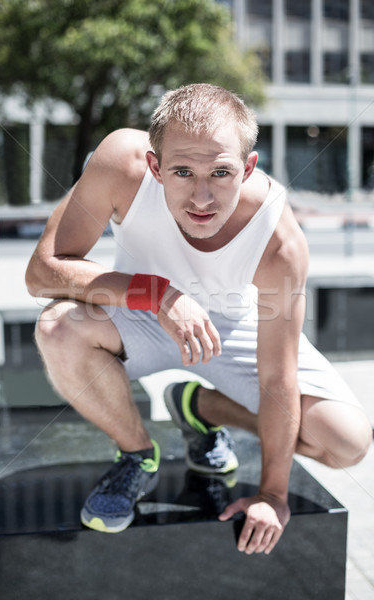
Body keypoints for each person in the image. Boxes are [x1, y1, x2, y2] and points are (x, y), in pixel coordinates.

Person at [25, 83, 372, 554]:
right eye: (183, 171)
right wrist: (157, 294)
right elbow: (42, 272)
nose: (202, 197)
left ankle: (200, 408)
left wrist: (272, 493)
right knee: (57, 327)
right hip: (141, 314)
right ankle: (136, 454)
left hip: (232, 329)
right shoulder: (121, 162)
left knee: (346, 443)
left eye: (221, 172)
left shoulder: (279, 239)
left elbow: (277, 374)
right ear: (154, 166)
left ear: (247, 168)